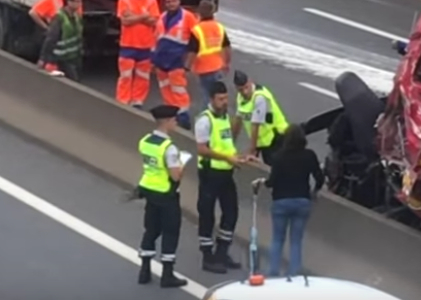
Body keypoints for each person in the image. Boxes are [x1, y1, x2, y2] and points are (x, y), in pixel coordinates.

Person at [252, 124, 324, 277]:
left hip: (281, 202)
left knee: (278, 238)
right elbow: (320, 177)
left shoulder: (279, 157)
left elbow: (272, 182)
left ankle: (273, 271)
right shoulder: (309, 155)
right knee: (296, 240)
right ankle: (294, 273)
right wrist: (314, 191)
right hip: (302, 201)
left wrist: (262, 182)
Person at [194, 81, 249, 274]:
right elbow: (202, 149)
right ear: (211, 99)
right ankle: (207, 256)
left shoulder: (225, 116)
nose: (225, 102)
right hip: (211, 174)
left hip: (226, 172)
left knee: (231, 212)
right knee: (207, 214)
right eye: (221, 99)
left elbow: (226, 142)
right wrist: (227, 157)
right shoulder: (204, 120)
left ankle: (222, 252)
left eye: (226, 98)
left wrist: (238, 155)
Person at [136, 104, 189, 288]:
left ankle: (144, 270)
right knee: (170, 231)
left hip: (149, 191)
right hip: (167, 194)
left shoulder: (145, 141)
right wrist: (182, 164)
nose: (176, 122)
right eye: (174, 120)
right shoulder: (170, 148)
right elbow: (175, 175)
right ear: (166, 122)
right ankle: (167, 275)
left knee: (151, 229)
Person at [153, 0, 198, 129]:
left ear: (179, 1)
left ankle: (183, 119)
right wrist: (154, 61)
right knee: (166, 91)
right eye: (168, 2)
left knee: (178, 91)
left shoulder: (188, 17)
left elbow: (195, 42)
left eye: (173, 1)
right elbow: (157, 40)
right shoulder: (162, 18)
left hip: (177, 61)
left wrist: (188, 64)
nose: (171, 4)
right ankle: (172, 118)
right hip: (162, 63)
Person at [116, 0, 160, 108]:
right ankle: (122, 101)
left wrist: (135, 17)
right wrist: (144, 16)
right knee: (125, 76)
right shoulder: (124, 0)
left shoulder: (152, 1)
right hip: (128, 45)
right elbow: (125, 21)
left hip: (146, 45)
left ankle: (137, 101)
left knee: (143, 77)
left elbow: (154, 21)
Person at [232, 70, 289, 165]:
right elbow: (238, 121)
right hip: (263, 140)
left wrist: (251, 151)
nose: (244, 92)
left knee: (277, 168)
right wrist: (230, 145)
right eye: (241, 90)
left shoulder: (260, 97)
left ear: (250, 82)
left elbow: (255, 125)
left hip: (277, 138)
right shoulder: (240, 97)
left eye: (246, 87)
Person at [185, 0, 232, 106]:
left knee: (207, 96)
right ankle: (219, 117)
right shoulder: (219, 27)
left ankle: (207, 119)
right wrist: (227, 63)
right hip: (218, 67)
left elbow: (192, 52)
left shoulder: (197, 30)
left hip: (204, 69)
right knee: (217, 95)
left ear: (199, 13)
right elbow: (227, 47)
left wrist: (187, 68)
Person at [38, 0, 84, 80]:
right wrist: (43, 59)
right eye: (77, 1)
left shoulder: (76, 17)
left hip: (72, 58)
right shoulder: (59, 18)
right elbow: (51, 39)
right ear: (69, 2)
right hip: (60, 60)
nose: (80, 4)